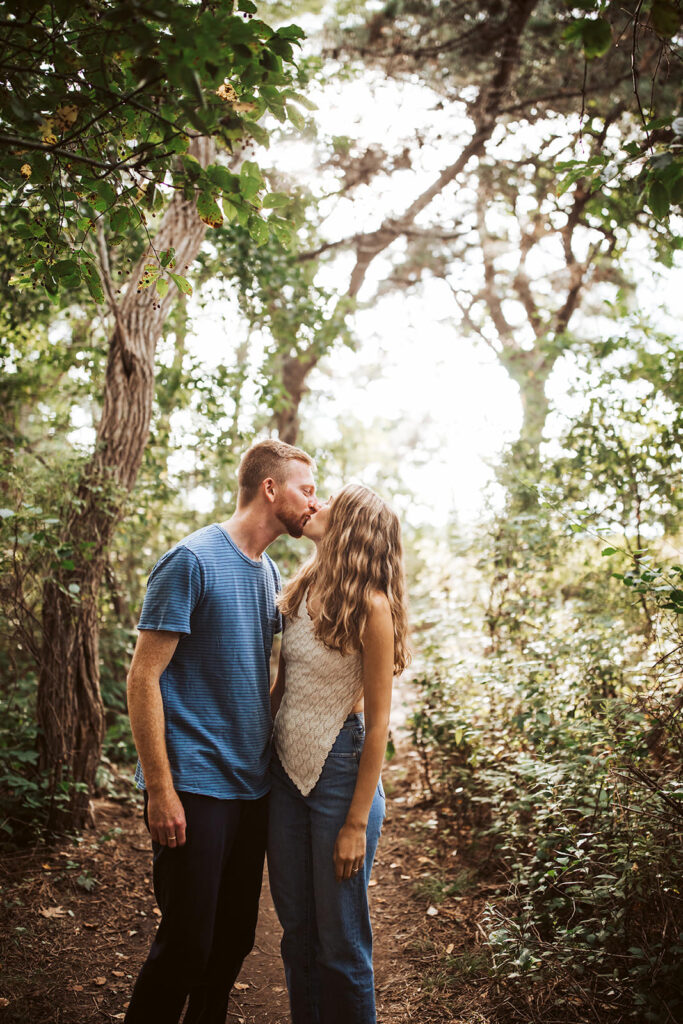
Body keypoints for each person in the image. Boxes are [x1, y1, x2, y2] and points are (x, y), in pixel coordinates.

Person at [124, 438, 318, 1024]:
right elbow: (143, 678)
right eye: (305, 489)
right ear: (269, 488)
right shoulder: (192, 560)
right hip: (194, 786)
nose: (313, 502)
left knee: (232, 941)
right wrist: (161, 789)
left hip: (250, 786)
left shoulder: (270, 570)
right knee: (187, 945)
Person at [267, 483, 411, 1024]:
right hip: (284, 774)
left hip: (342, 772)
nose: (314, 505)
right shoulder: (300, 587)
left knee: (342, 943)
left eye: (328, 502)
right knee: (296, 932)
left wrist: (354, 823)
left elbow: (378, 727)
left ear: (350, 526)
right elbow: (283, 688)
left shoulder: (373, 608)